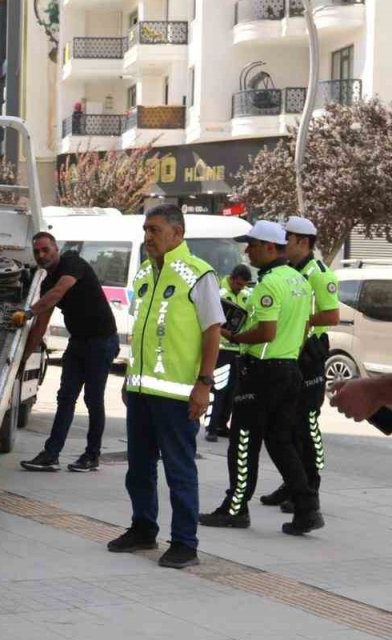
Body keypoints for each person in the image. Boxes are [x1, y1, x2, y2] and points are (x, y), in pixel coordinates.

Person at [107, 204, 223, 569]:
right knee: (138, 468)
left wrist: (203, 384)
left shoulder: (198, 275)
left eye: (155, 230)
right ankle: (143, 528)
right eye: (146, 230)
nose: (148, 237)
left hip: (177, 396)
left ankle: (185, 543)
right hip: (142, 392)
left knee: (178, 470)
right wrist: (129, 375)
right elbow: (140, 330)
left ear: (178, 233)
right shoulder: (143, 273)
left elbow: (212, 330)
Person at [200, 220, 322, 535]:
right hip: (290, 369)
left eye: (252, 245)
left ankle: (235, 508)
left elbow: (267, 332)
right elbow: (305, 325)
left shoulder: (268, 284)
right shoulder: (299, 280)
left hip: (263, 372)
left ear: (269, 247)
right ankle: (307, 509)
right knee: (282, 442)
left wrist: (235, 337)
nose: (247, 251)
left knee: (243, 440)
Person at [19, 232, 119, 473]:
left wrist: (29, 311)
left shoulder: (72, 263)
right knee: (65, 398)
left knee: (93, 399)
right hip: (78, 343)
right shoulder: (46, 283)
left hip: (102, 341)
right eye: (37, 252)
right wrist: (22, 362)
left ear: (56, 249)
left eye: (45, 250)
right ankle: (51, 455)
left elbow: (59, 293)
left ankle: (91, 456)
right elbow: (41, 325)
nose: (41, 255)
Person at [259, 216, 339, 513]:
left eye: (287, 239)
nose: (283, 244)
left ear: (302, 242)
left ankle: (310, 487)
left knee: (306, 424)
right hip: (291, 353)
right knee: (286, 425)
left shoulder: (319, 274)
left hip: (310, 354)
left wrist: (298, 320)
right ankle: (292, 483)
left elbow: (331, 316)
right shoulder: (291, 271)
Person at [206, 264, 254, 442]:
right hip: (222, 349)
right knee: (219, 389)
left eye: (244, 285)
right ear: (233, 279)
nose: (242, 287)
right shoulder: (219, 294)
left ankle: (222, 425)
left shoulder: (246, 296)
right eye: (239, 284)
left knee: (233, 392)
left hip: (238, 350)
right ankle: (211, 427)